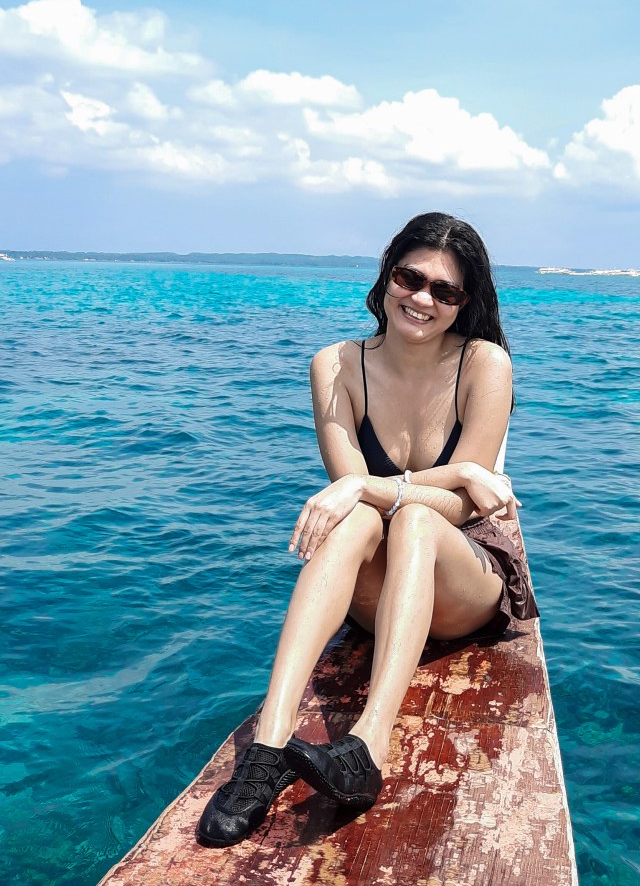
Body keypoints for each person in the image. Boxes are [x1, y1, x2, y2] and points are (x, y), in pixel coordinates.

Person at [197, 212, 539, 847]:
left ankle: (366, 751)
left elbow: (468, 509)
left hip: (465, 580)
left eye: (447, 291)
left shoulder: (482, 362)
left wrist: (383, 485)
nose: (423, 298)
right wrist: (455, 470)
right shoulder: (335, 365)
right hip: (383, 588)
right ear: (387, 276)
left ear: (465, 304)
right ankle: (265, 753)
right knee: (357, 516)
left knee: (410, 514)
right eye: (412, 278)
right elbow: (357, 498)